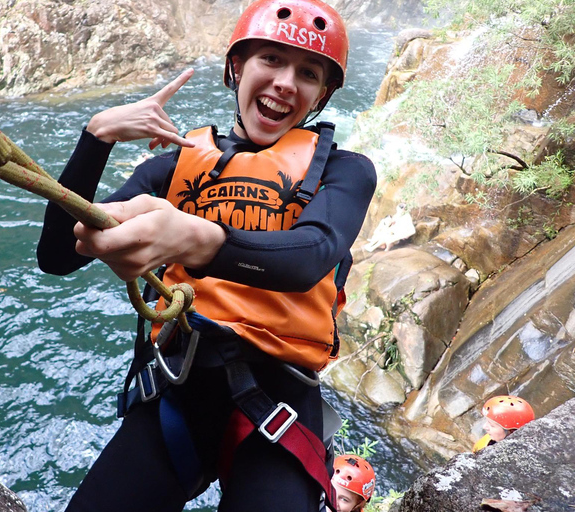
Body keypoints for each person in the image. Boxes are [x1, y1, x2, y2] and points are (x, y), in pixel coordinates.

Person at [37, 0, 376, 510]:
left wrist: (195, 239)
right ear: (237, 68)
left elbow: (312, 255)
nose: (286, 82)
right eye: (270, 60)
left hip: (281, 400)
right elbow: (59, 255)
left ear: (322, 94)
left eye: (308, 73)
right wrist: (97, 136)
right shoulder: (172, 169)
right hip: (177, 391)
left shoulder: (344, 172)